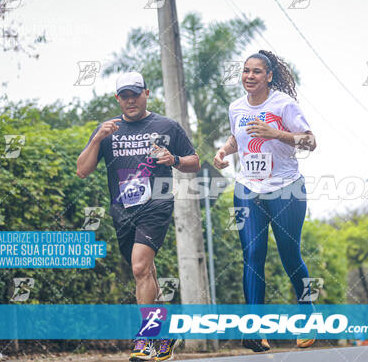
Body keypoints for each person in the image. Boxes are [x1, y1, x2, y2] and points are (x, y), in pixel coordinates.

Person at [76, 71, 200, 361]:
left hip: (156, 203)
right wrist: (97, 138)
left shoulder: (166, 126)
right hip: (122, 210)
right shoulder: (107, 130)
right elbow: (82, 170)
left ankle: (145, 339)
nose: (130, 100)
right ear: (117, 99)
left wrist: (174, 160)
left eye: (135, 94)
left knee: (139, 268)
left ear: (147, 93)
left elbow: (194, 162)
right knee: (146, 272)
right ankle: (164, 334)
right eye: (124, 96)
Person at [214, 50, 317, 352]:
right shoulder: (236, 107)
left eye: (257, 71)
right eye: (246, 71)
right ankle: (254, 329)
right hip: (248, 188)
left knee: (289, 256)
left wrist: (276, 133)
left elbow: (310, 141)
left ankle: (308, 313)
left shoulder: (284, 105)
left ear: (269, 76)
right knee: (253, 253)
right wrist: (223, 152)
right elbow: (237, 137)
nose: (249, 76)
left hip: (286, 188)